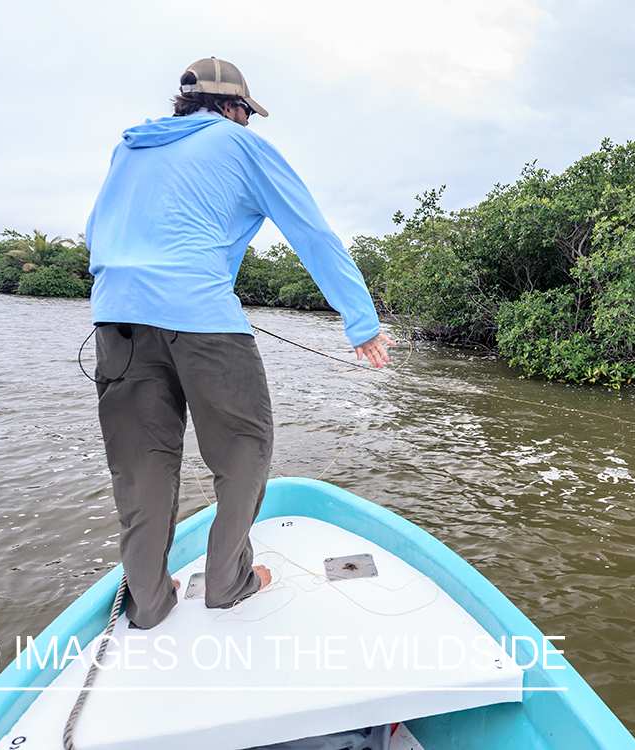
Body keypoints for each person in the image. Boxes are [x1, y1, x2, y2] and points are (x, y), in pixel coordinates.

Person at [86, 57, 393, 629]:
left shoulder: (128, 148)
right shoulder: (237, 143)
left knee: (139, 469)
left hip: (115, 320)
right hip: (204, 317)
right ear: (232, 108)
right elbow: (311, 230)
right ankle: (229, 582)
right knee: (245, 451)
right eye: (247, 114)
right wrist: (363, 323)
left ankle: (149, 603)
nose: (247, 124)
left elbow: (97, 232)